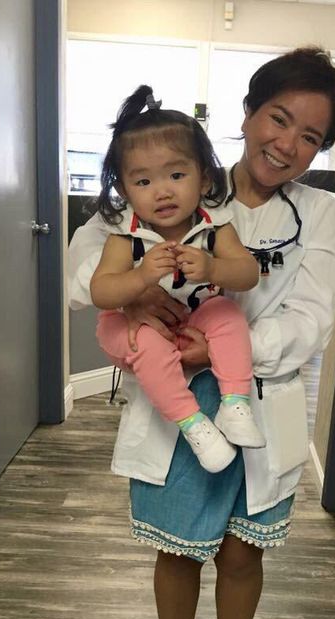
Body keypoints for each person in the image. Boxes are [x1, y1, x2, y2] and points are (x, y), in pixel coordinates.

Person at [68, 46, 335, 619]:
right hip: (176, 407)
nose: (286, 144)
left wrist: (233, 346)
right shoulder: (179, 177)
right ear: (248, 113)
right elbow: (85, 265)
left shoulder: (318, 214)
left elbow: (313, 316)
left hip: (260, 399)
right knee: (176, 550)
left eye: (310, 136)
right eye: (278, 119)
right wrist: (133, 298)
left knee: (241, 554)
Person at [90, 85, 265, 475]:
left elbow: (248, 273)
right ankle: (194, 424)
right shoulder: (126, 236)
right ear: (123, 190)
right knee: (147, 343)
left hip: (192, 319)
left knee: (226, 311)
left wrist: (214, 269)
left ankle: (234, 404)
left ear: (204, 179)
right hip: (129, 328)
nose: (163, 191)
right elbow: (101, 292)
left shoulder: (214, 227)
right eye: (143, 182)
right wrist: (140, 277)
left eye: (176, 174)